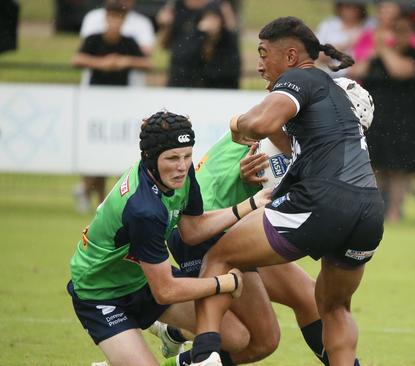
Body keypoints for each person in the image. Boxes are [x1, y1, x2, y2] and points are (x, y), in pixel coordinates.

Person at [184, 16, 384, 366]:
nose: (259, 65)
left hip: (322, 202)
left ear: (291, 56)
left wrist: (238, 123)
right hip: (368, 208)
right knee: (333, 306)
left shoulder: (300, 78)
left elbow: (260, 124)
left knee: (220, 256)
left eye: (264, 54)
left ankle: (203, 356)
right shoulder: (334, 101)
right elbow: (294, 146)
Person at [67, 111, 273, 366]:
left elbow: (192, 230)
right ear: (149, 158)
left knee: (237, 338)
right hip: (101, 294)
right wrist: (224, 283)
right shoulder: (143, 209)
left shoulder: (180, 175)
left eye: (187, 156)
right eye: (172, 158)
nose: (182, 166)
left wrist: (251, 204)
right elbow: (165, 290)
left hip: (142, 279)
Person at [153, 131, 360, 366]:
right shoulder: (287, 115)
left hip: (238, 226)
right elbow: (255, 128)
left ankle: (176, 332)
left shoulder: (299, 120)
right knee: (261, 341)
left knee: (307, 298)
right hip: (206, 227)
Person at [72, 0, 154, 214]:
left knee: (116, 155)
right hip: (96, 103)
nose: (114, 22)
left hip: (120, 106)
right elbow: (77, 59)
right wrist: (102, 63)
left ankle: (114, 200)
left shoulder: (128, 42)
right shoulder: (93, 40)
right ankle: (98, 198)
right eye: (111, 18)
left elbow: (147, 63)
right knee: (96, 155)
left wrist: (124, 61)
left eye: (119, 18)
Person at [347, 12, 415, 223]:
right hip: (377, 118)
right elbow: (356, 72)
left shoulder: (414, 54)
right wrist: (375, 52)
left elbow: (399, 71)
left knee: (399, 168)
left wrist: (383, 48)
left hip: (405, 119)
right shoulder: (376, 57)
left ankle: (394, 212)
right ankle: (375, 210)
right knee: (375, 165)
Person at [157, 0, 241, 88]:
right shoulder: (176, 6)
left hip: (215, 83)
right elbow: (165, 45)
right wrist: (165, 27)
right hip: (180, 80)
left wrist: (213, 35)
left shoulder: (219, 7)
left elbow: (231, 50)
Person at [315, 0, 373, 78]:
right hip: (330, 75)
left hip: (359, 76)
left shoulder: (370, 24)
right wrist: (345, 45)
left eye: (355, 7)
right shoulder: (328, 24)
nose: (351, 11)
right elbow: (317, 54)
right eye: (347, 6)